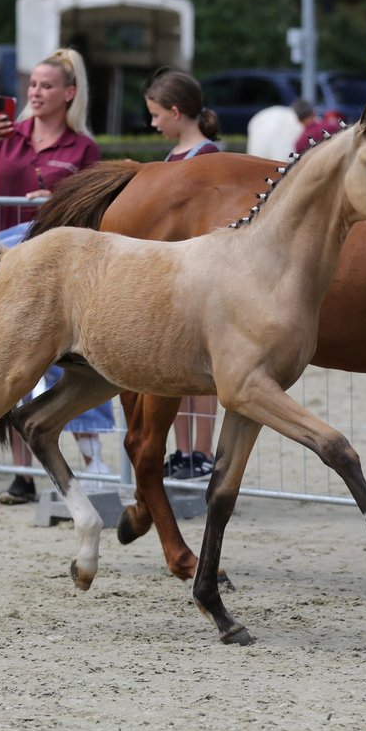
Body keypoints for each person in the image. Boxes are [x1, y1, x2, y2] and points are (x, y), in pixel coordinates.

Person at [0, 46, 111, 504]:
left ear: (69, 94)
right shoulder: (7, 136)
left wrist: (54, 200)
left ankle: (89, 464)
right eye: (32, 85)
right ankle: (24, 476)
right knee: (8, 371)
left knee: (68, 369)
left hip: (57, 276)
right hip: (6, 269)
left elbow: (93, 209)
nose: (36, 93)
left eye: (46, 86)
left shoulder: (84, 147)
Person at [142, 67, 221, 480]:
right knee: (175, 369)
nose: (153, 123)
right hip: (173, 274)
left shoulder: (208, 157)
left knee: (203, 372)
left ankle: (202, 450)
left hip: (200, 274)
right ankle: (184, 450)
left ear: (175, 111)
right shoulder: (172, 157)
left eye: (156, 114)